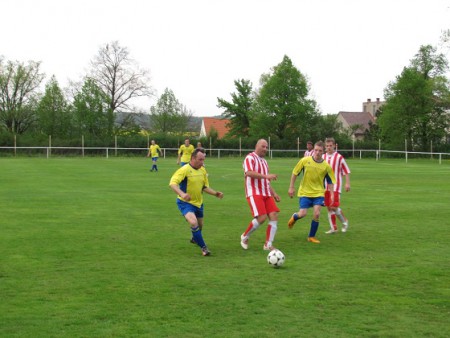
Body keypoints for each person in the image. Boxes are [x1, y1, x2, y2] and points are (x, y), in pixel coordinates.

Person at [169, 148, 224, 256]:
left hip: (198, 203)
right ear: (193, 158)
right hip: (185, 203)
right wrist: (182, 194)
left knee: (200, 225)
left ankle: (195, 238)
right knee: (193, 223)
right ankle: (204, 248)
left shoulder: (202, 170)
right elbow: (172, 183)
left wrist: (215, 193)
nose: (202, 162)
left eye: (203, 160)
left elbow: (204, 187)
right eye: (200, 160)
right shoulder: (184, 169)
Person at [287, 140, 336, 244]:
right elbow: (295, 172)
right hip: (305, 192)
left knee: (317, 214)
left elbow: (330, 181)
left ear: (323, 152)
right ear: (313, 150)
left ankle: (311, 236)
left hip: (318, 193)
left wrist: (331, 194)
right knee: (303, 213)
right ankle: (294, 217)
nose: (317, 152)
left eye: (320, 150)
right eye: (316, 150)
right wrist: (291, 187)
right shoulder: (305, 161)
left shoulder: (326, 166)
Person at [240, 139, 281, 251]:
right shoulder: (250, 157)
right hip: (254, 192)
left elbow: (266, 181)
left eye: (266, 147)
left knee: (274, 216)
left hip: (266, 193)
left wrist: (274, 193)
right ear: (256, 146)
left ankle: (268, 244)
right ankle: (245, 236)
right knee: (262, 218)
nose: (265, 149)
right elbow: (248, 172)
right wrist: (266, 176)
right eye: (263, 146)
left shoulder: (264, 162)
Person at [323, 137, 351, 233]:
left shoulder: (339, 157)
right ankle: (333, 228)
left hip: (336, 186)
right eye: (327, 146)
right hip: (325, 186)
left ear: (334, 146)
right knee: (329, 207)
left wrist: (347, 183)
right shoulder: (323, 157)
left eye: (330, 146)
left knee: (333, 207)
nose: (329, 147)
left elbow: (346, 171)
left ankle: (344, 221)